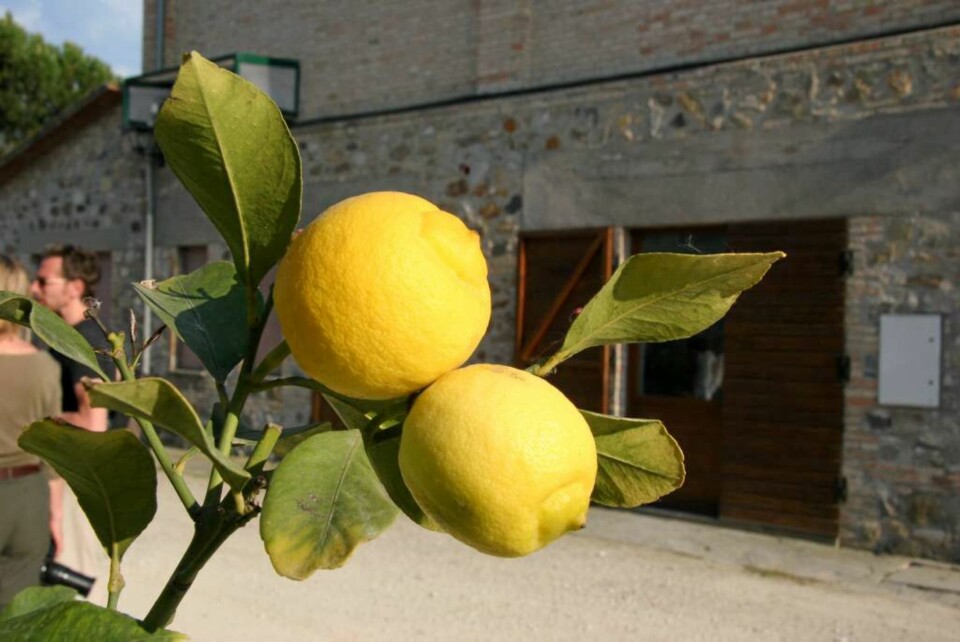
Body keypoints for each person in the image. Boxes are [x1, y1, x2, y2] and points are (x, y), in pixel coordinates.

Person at [30, 244, 113, 605]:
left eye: (44, 281)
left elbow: (93, 421)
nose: (34, 288)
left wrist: (32, 419)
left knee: (67, 586)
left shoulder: (82, 342)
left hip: (76, 476)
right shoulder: (75, 337)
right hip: (75, 472)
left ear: (75, 287)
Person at [0, 255, 62, 609]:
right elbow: (53, 449)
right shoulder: (45, 366)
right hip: (29, 496)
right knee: (16, 614)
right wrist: (55, 515)